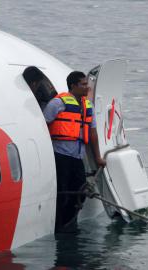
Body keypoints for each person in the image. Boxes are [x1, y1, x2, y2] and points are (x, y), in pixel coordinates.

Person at [43, 71, 106, 233]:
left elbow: (92, 133)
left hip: (77, 156)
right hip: (61, 155)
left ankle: (69, 221)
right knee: (62, 191)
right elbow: (43, 124)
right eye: (83, 84)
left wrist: (98, 157)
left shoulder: (88, 106)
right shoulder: (58, 104)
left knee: (80, 190)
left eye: (87, 84)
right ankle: (59, 225)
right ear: (73, 86)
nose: (87, 87)